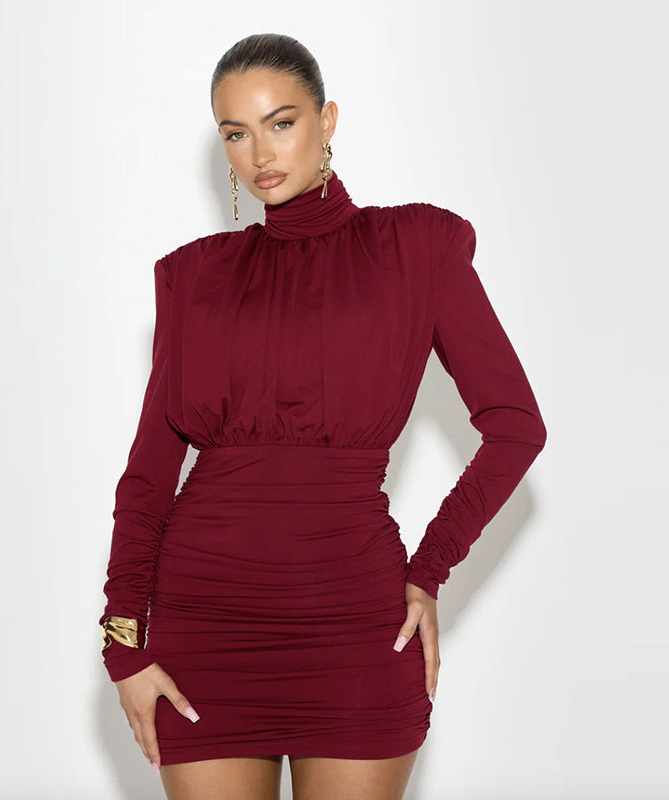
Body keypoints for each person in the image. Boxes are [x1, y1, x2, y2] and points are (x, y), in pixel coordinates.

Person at [97, 32, 547, 800]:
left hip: (354, 628)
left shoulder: (415, 249)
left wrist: (429, 569)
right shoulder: (196, 278)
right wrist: (122, 646)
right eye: (235, 133)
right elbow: (147, 478)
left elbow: (515, 426)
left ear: (327, 120)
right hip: (204, 632)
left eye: (281, 122)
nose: (259, 154)